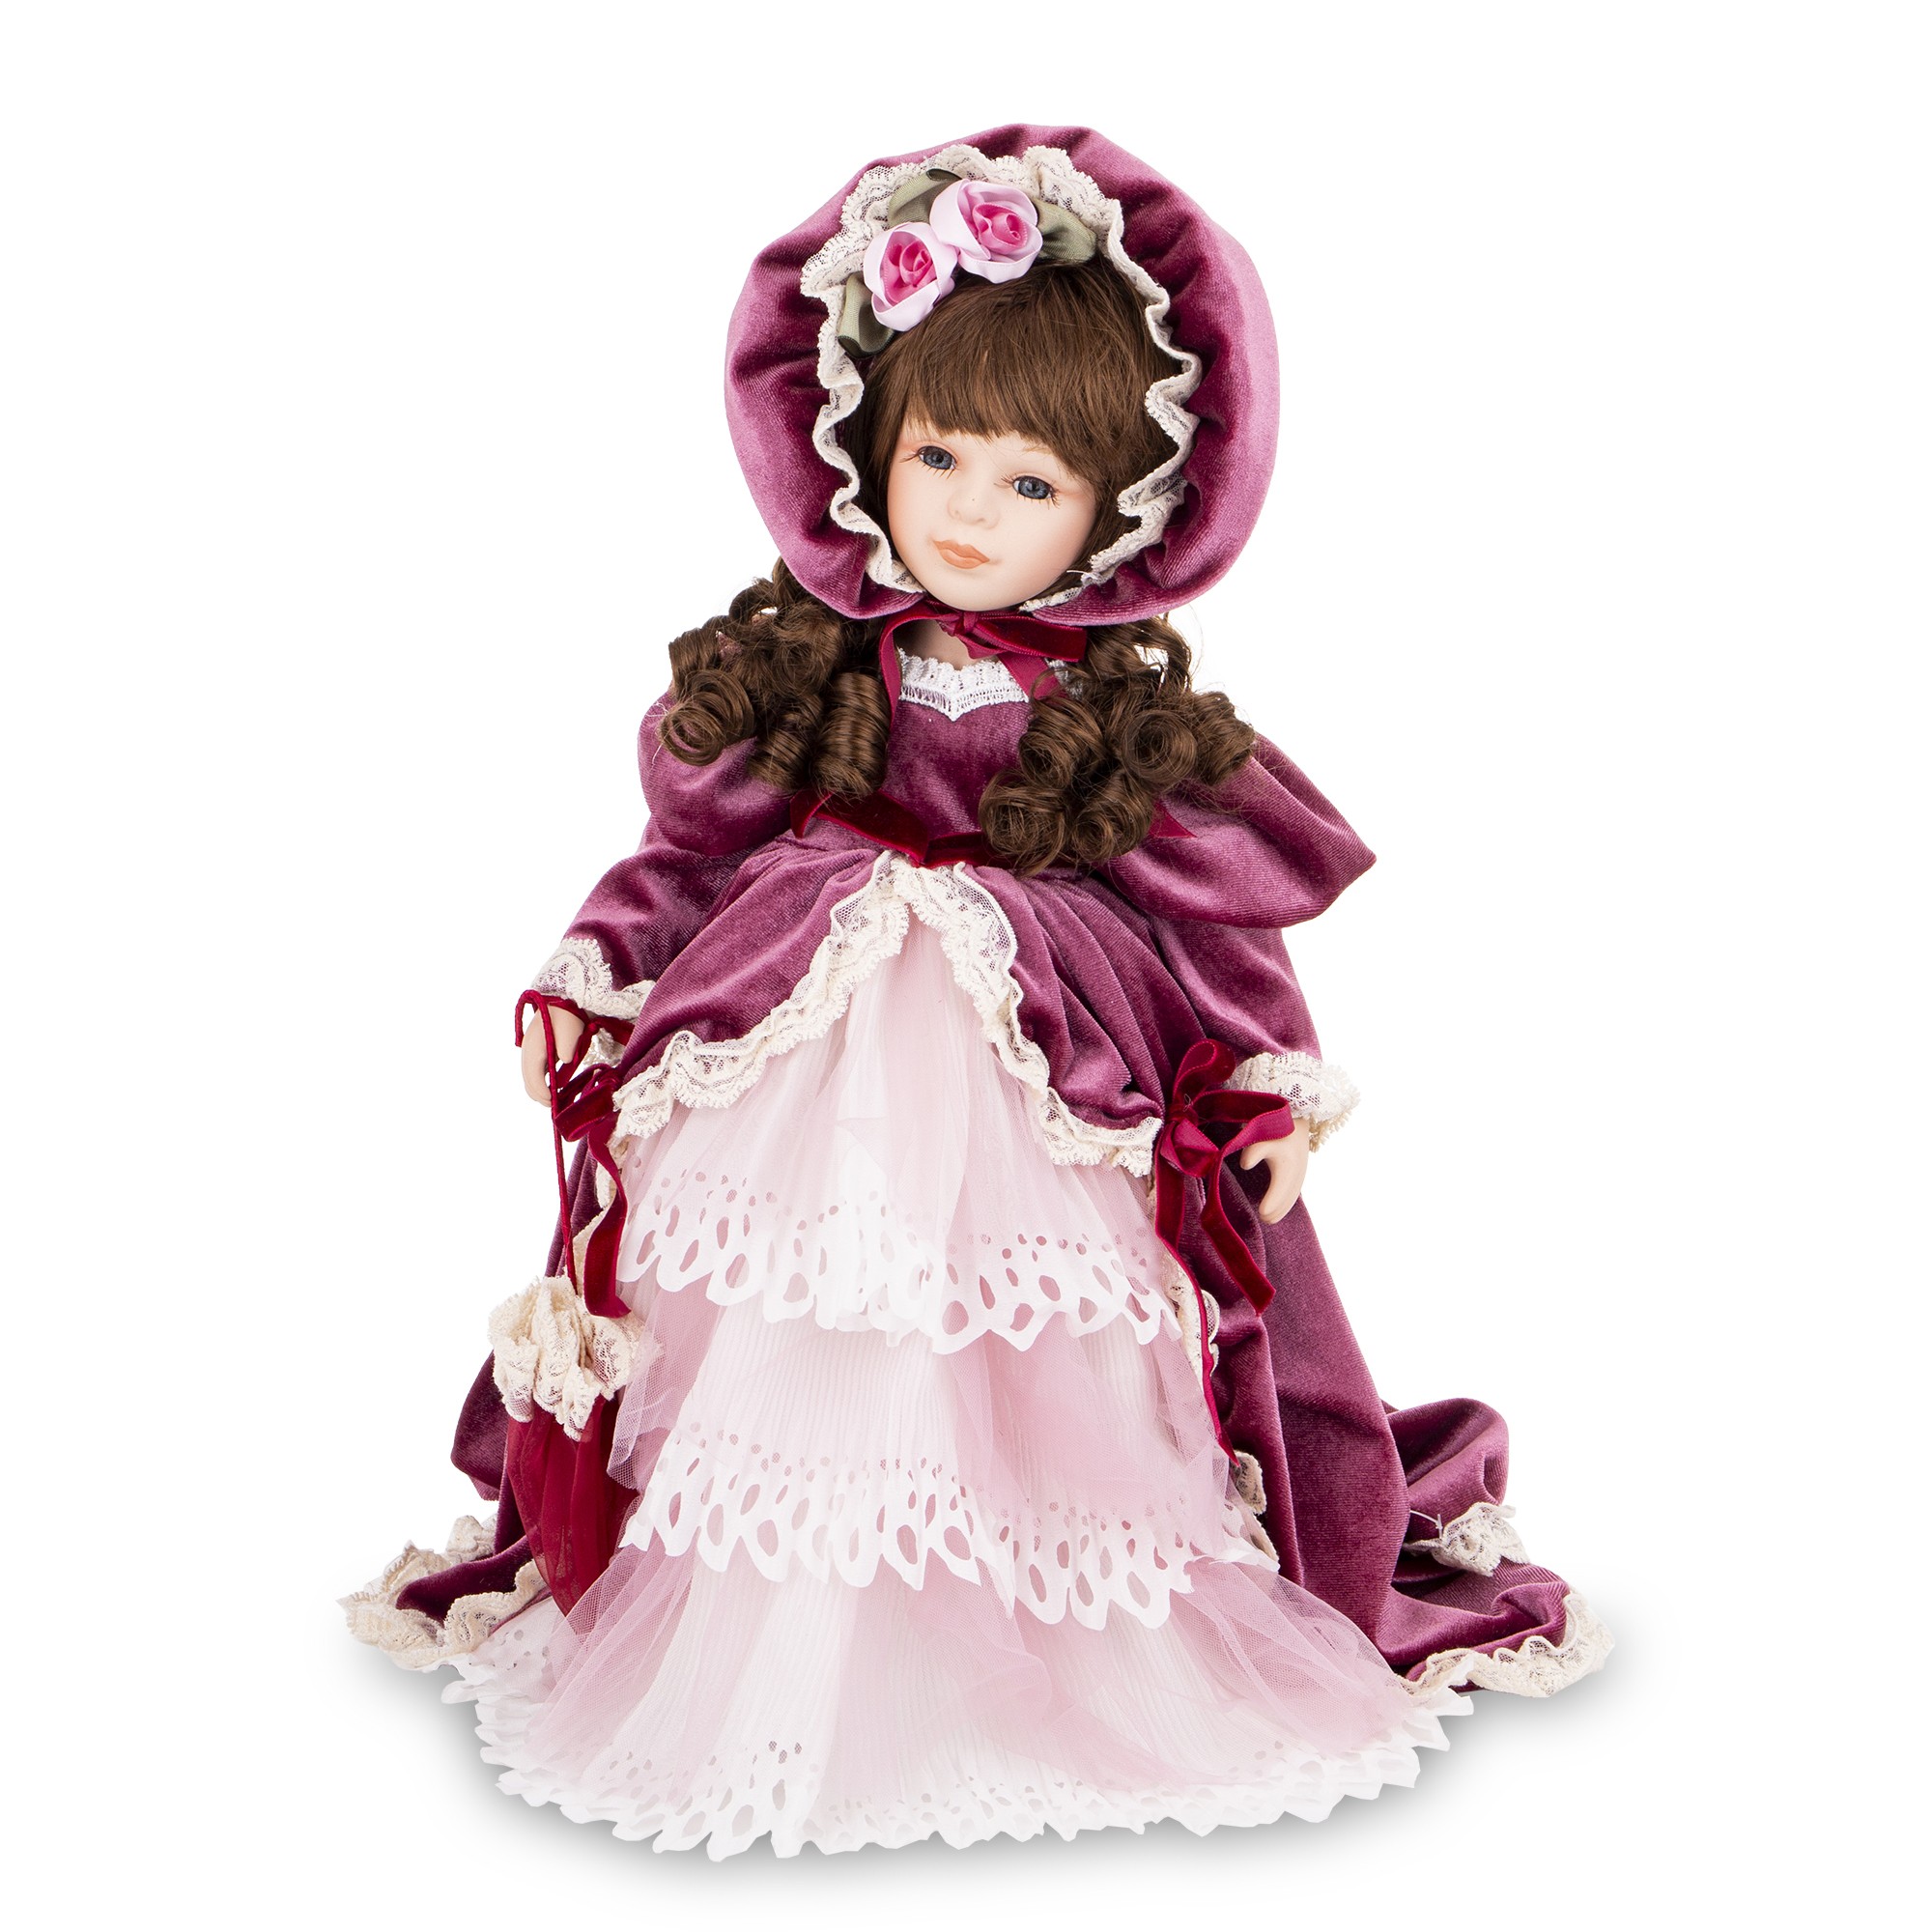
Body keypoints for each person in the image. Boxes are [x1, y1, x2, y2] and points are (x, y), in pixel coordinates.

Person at [344, 126, 1607, 1857]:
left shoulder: (1111, 717)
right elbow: (687, 856)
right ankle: (791, 1620)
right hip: (799, 1044)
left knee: (1052, 1354)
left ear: (1127, 508)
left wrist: (1266, 1081)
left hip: (1047, 1074)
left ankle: (1030, 1612)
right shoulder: (810, 674)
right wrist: (597, 970)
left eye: (1030, 486)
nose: (963, 512)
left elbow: (1219, 926)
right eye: (939, 455)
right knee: (794, 1326)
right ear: (858, 443)